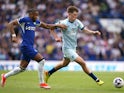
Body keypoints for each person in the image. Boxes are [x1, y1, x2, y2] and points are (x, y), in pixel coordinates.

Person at [0, 8, 66, 89]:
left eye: (37, 15)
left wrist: (57, 25)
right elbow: (11, 24)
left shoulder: (35, 22)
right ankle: (42, 83)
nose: (37, 16)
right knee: (42, 61)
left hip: (29, 46)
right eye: (35, 15)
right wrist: (13, 36)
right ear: (31, 14)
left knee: (22, 68)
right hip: (25, 46)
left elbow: (46, 26)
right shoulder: (24, 20)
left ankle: (4, 76)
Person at [44, 6, 104, 86]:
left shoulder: (77, 22)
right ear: (69, 14)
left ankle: (48, 73)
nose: (75, 17)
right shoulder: (63, 23)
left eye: (76, 15)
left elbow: (84, 30)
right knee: (82, 62)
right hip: (67, 48)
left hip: (73, 47)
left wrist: (93, 32)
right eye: (74, 15)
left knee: (64, 64)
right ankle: (96, 79)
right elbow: (51, 28)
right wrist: (56, 37)